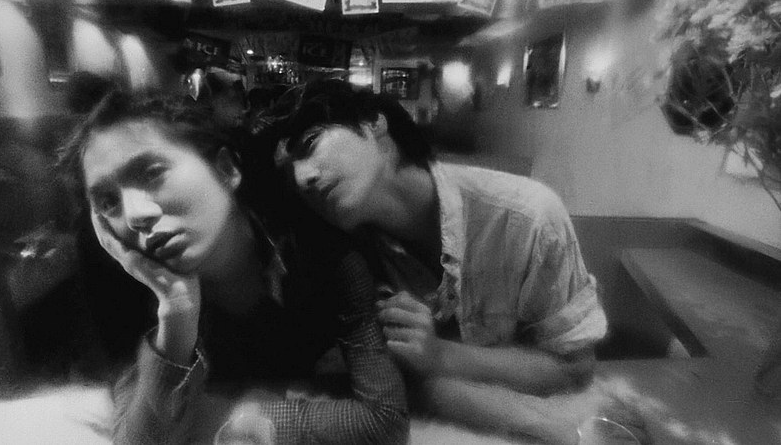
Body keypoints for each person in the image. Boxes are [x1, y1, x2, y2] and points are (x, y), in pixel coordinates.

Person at [55, 89, 408, 444]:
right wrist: (176, 313)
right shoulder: (135, 294)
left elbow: (383, 419)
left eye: (152, 172)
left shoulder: (323, 256)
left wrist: (237, 417)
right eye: (108, 202)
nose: (134, 215)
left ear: (226, 170)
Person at [271, 80, 609, 444]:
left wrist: (440, 355)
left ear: (374, 123)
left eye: (310, 144)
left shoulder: (527, 218)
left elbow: (575, 368)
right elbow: (382, 395)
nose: (302, 178)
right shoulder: (345, 255)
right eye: (290, 174)